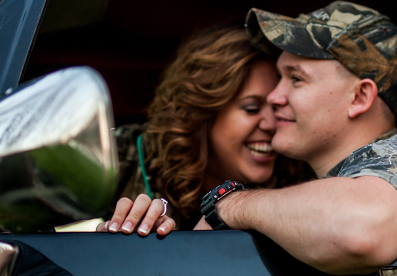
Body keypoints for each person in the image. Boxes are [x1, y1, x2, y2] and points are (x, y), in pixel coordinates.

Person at [112, 1, 397, 276]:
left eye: (295, 79)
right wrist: (132, 248)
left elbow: (358, 230)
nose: (275, 97)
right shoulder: (311, 189)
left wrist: (229, 205)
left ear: (359, 97)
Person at [98, 26, 310, 236]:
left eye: (277, 108)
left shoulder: (300, 177)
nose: (272, 124)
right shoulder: (122, 155)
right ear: (201, 113)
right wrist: (107, 235)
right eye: (251, 108)